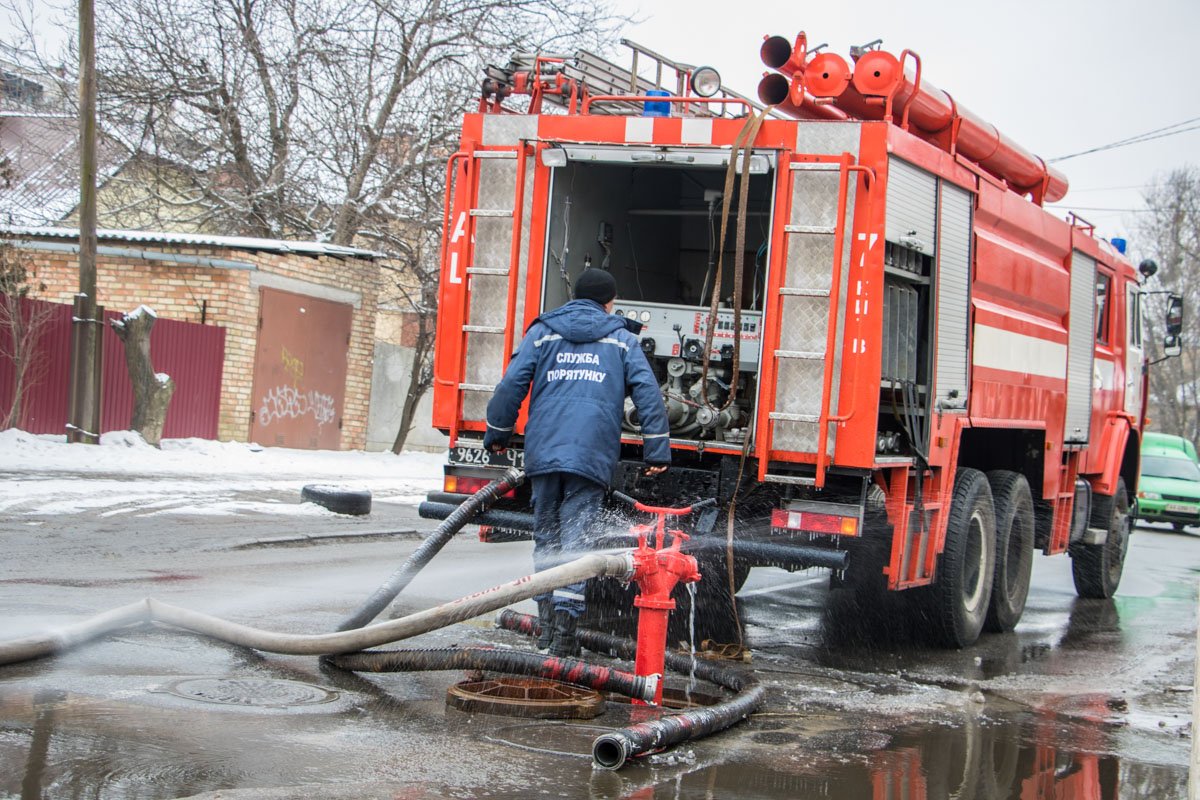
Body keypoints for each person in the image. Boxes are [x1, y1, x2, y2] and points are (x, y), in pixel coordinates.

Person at [483, 269, 670, 657]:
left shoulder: (543, 331)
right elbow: (648, 395)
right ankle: (564, 635)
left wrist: (497, 432)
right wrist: (656, 450)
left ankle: (549, 626)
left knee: (547, 537)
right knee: (576, 538)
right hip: (591, 454)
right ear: (609, 302)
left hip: (545, 451)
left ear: (574, 296)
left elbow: (512, 384)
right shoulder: (620, 339)